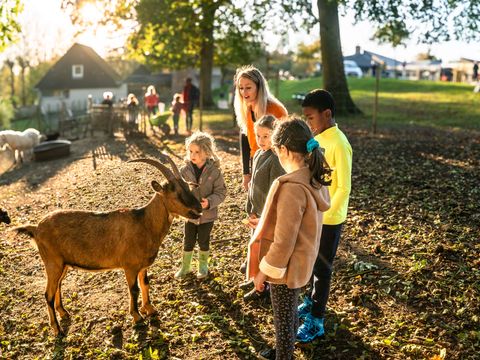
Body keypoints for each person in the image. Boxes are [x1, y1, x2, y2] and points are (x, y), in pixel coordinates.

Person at [247, 118, 331, 360]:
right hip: (302, 262)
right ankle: (285, 350)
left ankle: (284, 354)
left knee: (283, 321)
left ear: (283, 150)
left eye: (275, 151)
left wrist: (263, 272)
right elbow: (298, 224)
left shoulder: (292, 187)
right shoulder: (313, 177)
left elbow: (284, 242)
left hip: (284, 268)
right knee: (290, 313)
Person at [296, 89, 352, 343]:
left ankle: (317, 320)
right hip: (315, 216)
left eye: (311, 118)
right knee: (313, 264)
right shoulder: (319, 140)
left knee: (323, 269)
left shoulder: (339, 143)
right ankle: (310, 301)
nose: (309, 123)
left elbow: (343, 187)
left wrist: (325, 212)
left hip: (329, 219)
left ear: (326, 114)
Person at [241, 115, 285, 301]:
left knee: (265, 251)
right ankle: (255, 279)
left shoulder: (276, 160)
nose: (261, 141)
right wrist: (249, 208)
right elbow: (253, 186)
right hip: (256, 213)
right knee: (255, 248)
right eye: (258, 136)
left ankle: (264, 287)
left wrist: (266, 217)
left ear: (275, 136)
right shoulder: (258, 154)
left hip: (266, 216)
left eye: (266, 136)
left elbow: (275, 193)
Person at [175, 131, 227, 279]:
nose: (193, 155)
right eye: (190, 151)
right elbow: (179, 192)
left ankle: (203, 267)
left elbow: (221, 192)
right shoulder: (184, 171)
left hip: (207, 215)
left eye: (197, 152)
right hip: (190, 215)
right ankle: (185, 267)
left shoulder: (214, 172)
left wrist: (209, 202)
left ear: (207, 152)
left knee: (203, 240)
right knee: (188, 240)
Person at [233, 65, 288, 192]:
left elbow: (285, 143)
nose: (244, 93)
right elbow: (245, 138)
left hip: (275, 162)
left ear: (259, 87)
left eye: (248, 88)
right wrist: (246, 173)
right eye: (241, 88)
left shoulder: (276, 110)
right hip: (256, 159)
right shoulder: (247, 107)